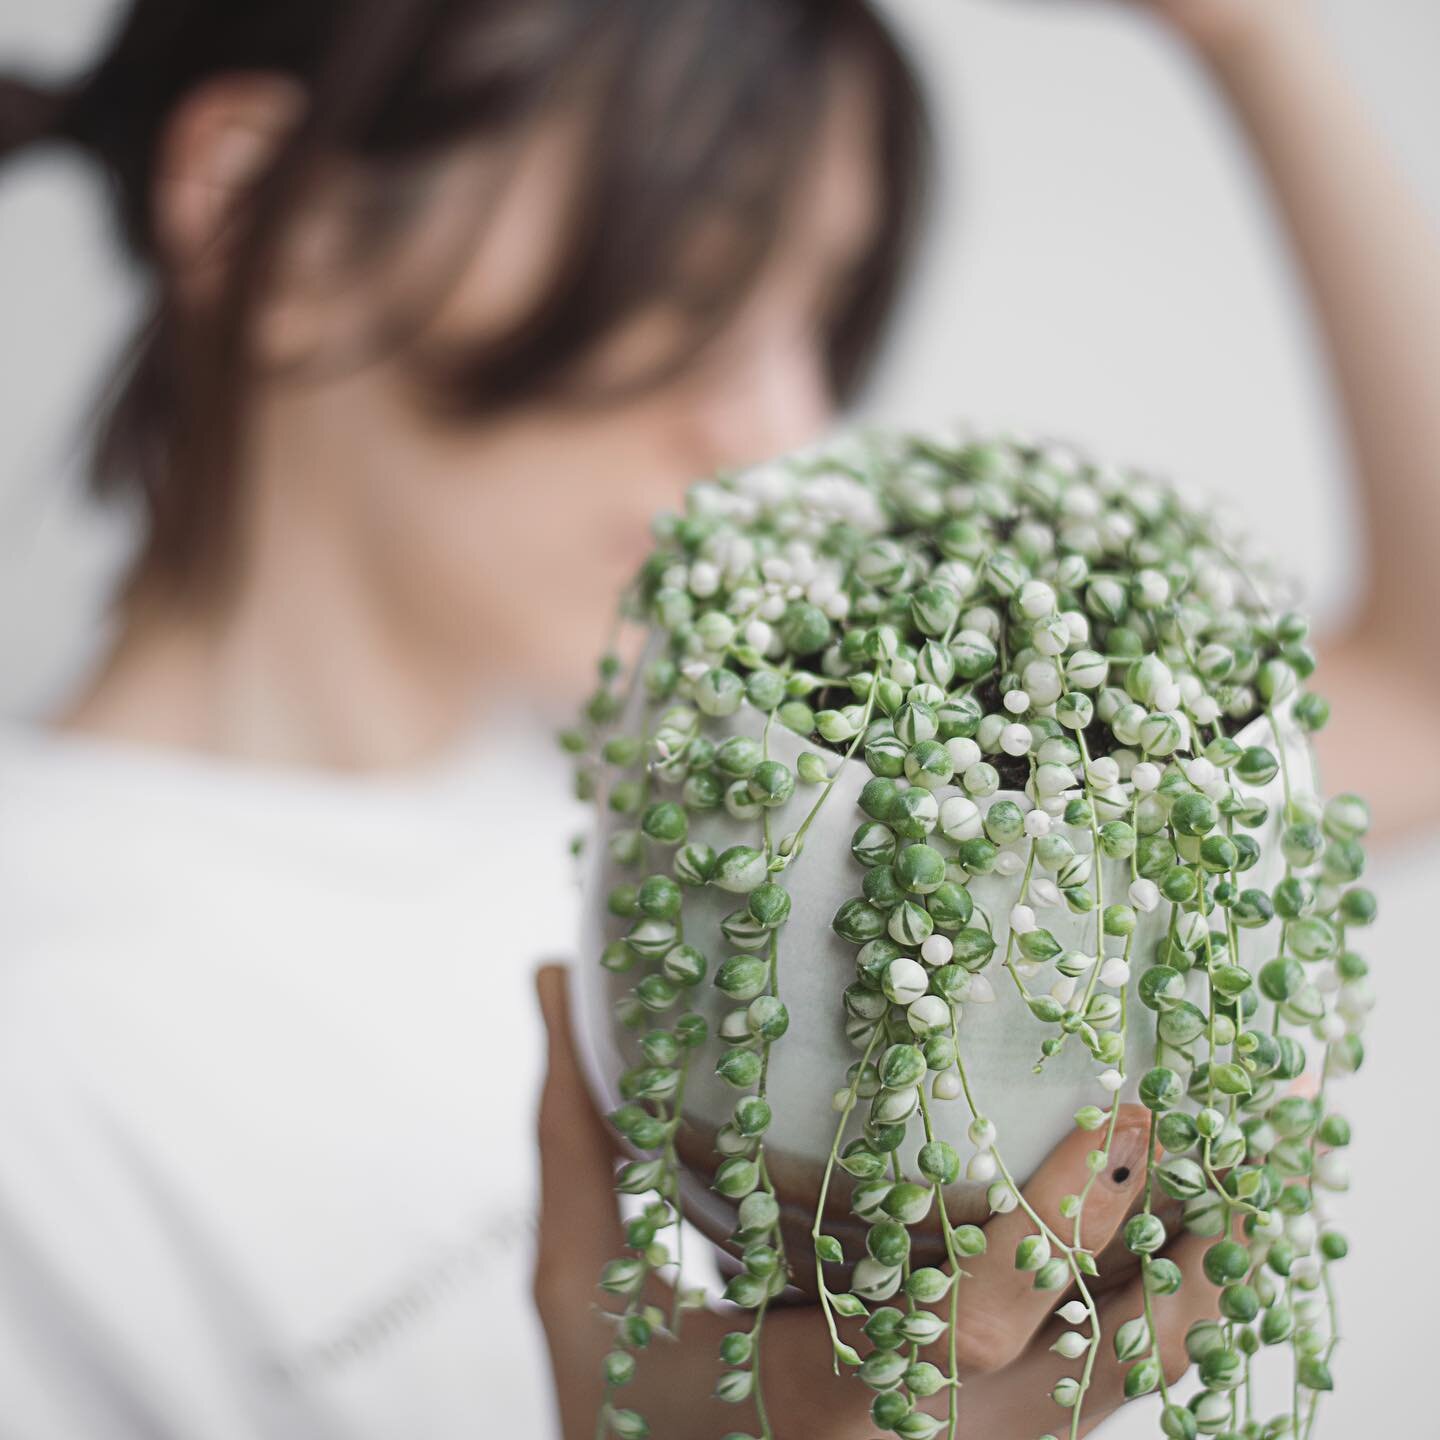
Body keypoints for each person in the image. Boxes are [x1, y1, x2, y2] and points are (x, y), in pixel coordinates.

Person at [0, 0, 1434, 1436]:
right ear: (271, 217)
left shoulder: (759, 778)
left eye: (815, 312)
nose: (781, 424)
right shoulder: (45, 1041)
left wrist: (1259, 41)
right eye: (693, 288)